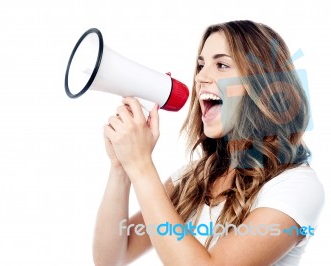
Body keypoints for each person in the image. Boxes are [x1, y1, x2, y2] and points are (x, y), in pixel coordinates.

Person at [92, 20, 325, 265]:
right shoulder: (192, 178)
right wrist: (122, 167)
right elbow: (111, 258)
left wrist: (141, 166)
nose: (200, 77)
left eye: (222, 65)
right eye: (201, 65)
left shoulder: (297, 185)